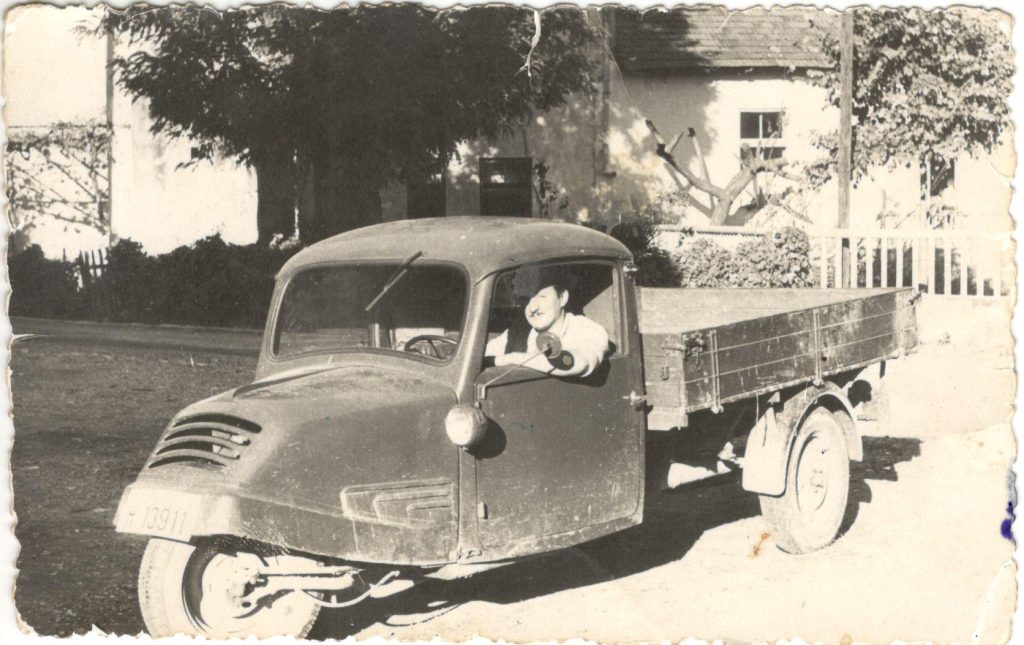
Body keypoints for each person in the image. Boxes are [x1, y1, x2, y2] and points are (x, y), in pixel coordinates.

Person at [485, 265, 610, 378]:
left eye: (542, 296)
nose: (533, 307)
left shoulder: (585, 329)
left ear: (562, 298)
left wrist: (508, 359)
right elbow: (480, 358)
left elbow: (577, 363)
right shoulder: (515, 334)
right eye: (525, 300)